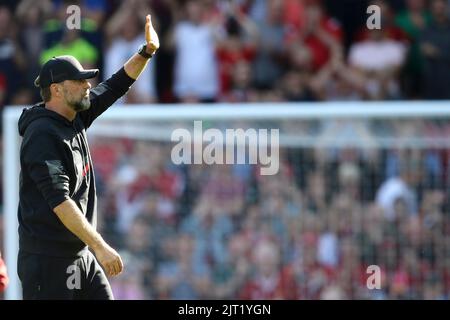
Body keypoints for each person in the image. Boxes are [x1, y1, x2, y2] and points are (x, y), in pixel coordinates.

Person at [16, 15, 159, 300]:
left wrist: (146, 52)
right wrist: (100, 246)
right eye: (79, 81)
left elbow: (116, 85)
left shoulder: (74, 115)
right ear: (56, 90)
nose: (87, 86)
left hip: (78, 255)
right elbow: (60, 202)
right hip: (48, 262)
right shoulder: (42, 135)